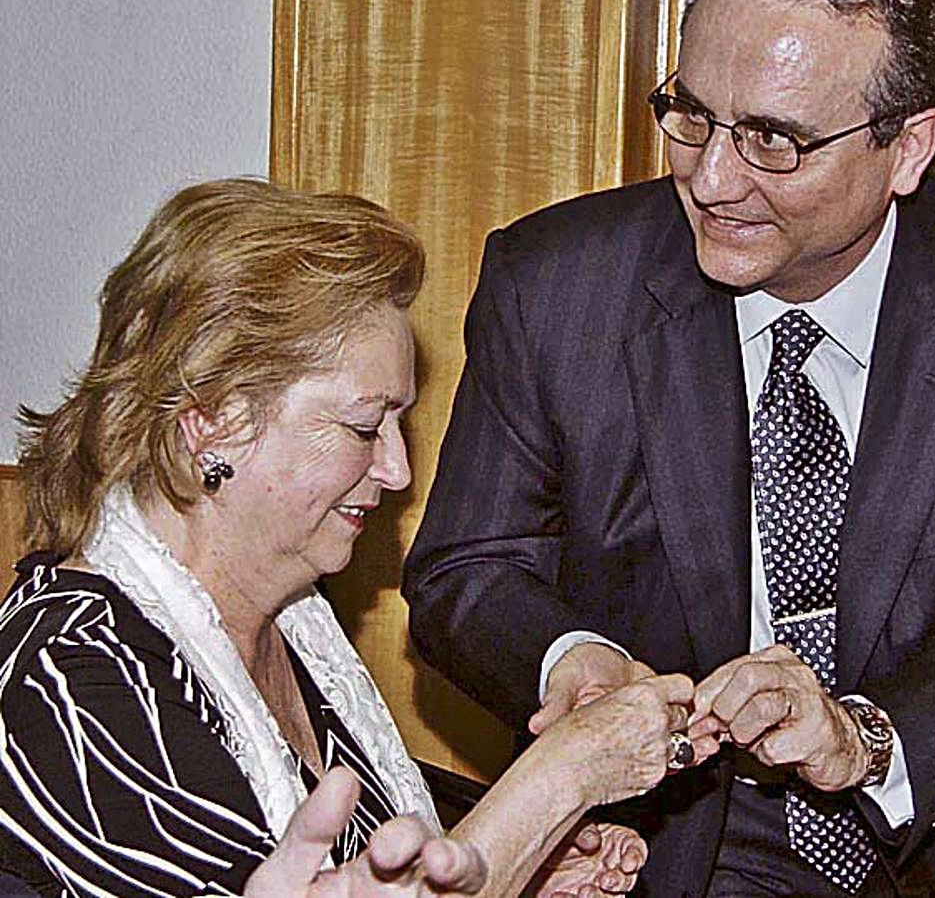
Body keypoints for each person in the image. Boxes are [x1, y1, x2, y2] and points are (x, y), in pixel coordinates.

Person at [403, 0, 935, 897]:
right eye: (691, 113)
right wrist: (570, 657)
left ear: (907, 150)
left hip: (924, 843)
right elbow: (467, 568)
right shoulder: (558, 284)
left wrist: (860, 737)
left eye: (774, 140)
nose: (710, 177)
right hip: (642, 854)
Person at [0, 178, 715, 897]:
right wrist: (559, 778)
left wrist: (523, 873)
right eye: (363, 425)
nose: (397, 468)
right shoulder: (70, 678)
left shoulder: (292, 629)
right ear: (210, 422)